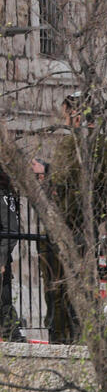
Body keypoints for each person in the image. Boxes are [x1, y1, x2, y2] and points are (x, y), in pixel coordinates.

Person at [37, 91, 107, 344]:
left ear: (75, 115)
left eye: (66, 114)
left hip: (63, 229)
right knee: (85, 290)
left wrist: (47, 175)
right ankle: (85, 339)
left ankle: (62, 343)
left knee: (57, 291)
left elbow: (60, 184)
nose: (64, 119)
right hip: (90, 229)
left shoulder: (69, 145)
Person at [0, 147, 25, 342]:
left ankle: (14, 337)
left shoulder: (3, 195)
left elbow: (11, 231)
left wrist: (1, 259)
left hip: (1, 258)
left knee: (4, 299)